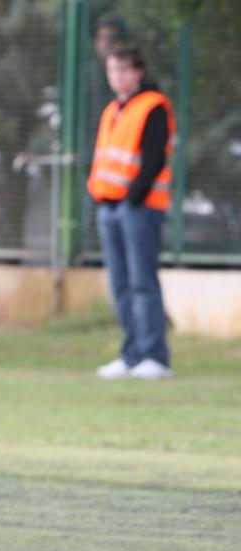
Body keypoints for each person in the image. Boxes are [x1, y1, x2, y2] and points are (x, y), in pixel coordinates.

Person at [88, 44, 175, 380]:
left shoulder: (153, 106)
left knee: (142, 282)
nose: (118, 76)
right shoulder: (112, 109)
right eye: (112, 70)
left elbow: (154, 159)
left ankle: (155, 356)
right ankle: (132, 354)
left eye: (124, 70)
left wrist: (133, 197)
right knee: (120, 284)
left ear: (138, 72)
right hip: (108, 206)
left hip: (138, 208)